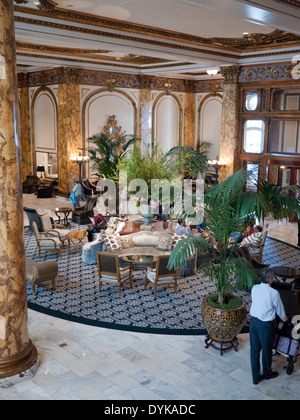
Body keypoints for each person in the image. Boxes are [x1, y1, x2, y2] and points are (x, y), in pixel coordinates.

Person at [249, 268, 288, 385]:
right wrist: (285, 318)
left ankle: (255, 377)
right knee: (266, 350)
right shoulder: (273, 293)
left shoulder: (254, 288)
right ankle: (267, 373)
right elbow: (280, 310)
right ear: (271, 279)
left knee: (254, 350)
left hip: (253, 323)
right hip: (266, 326)